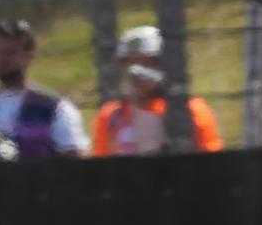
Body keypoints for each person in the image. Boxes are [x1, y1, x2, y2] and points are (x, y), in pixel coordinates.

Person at [0, 19, 87, 159]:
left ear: (29, 56)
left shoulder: (56, 110)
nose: (2, 59)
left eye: (10, 52)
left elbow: (74, 160)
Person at [92, 25, 224, 155]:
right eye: (129, 64)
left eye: (147, 63)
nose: (135, 72)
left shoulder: (191, 110)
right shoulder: (111, 116)